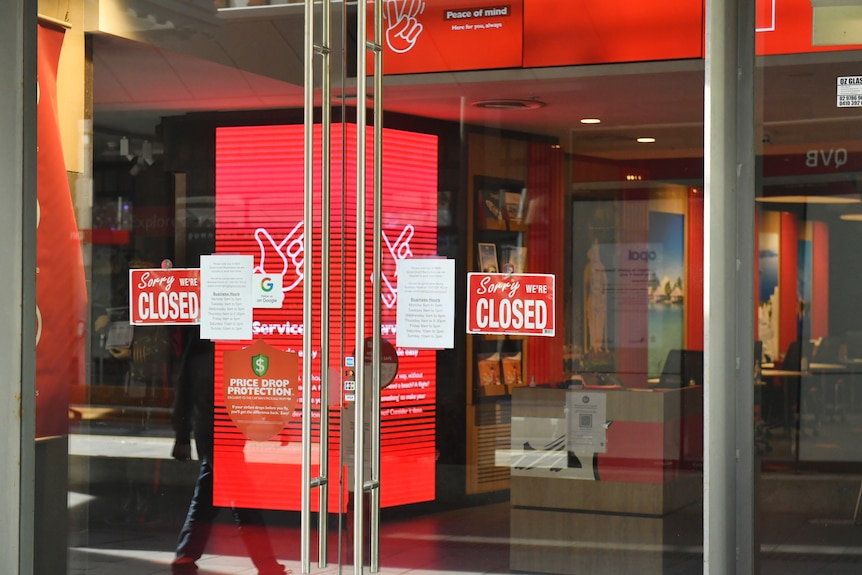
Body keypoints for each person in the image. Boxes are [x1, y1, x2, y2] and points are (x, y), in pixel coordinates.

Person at [171, 327, 287, 575]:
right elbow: (190, 387)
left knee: (207, 494)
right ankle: (266, 564)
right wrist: (181, 436)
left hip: (218, 430)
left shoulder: (216, 339)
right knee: (243, 499)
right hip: (217, 430)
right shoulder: (210, 339)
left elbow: (241, 382)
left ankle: (185, 555)